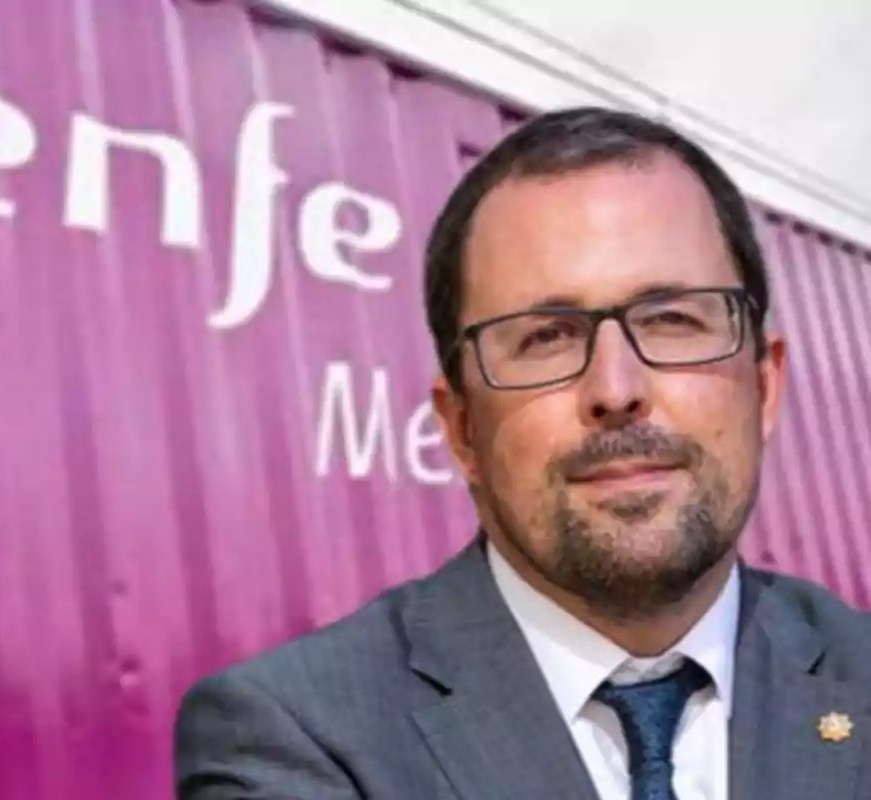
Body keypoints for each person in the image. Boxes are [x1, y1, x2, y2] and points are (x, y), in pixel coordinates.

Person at [173, 106, 871, 799]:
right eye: (546, 337)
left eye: (672, 320)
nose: (616, 389)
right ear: (461, 429)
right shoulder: (299, 738)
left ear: (765, 385)